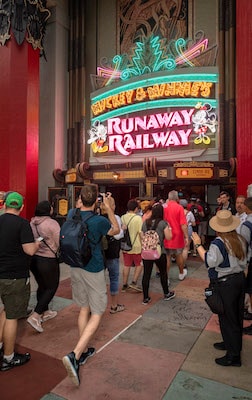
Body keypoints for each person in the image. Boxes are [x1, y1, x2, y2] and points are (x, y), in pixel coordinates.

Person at [62, 184, 119, 386]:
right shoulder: (99, 221)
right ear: (96, 201)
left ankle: (83, 349)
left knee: (83, 307)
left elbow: (79, 207)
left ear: (79, 199)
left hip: (75, 265)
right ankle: (75, 354)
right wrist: (109, 209)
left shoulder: (71, 214)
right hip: (93, 268)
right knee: (97, 312)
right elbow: (117, 230)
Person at [192, 210, 247, 367]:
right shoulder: (240, 239)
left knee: (227, 317)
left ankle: (233, 356)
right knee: (235, 316)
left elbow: (209, 261)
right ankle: (230, 343)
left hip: (225, 283)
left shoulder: (218, 243)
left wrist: (198, 244)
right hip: (238, 280)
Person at [0, 192, 40, 371]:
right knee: (12, 316)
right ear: (21, 207)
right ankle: (8, 358)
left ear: (4, 205)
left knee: (5, 310)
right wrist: (37, 244)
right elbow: (30, 251)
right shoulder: (23, 224)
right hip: (15, 276)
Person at [28, 201, 61, 333]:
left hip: (34, 259)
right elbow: (59, 241)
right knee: (51, 287)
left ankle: (45, 311)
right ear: (49, 210)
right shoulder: (52, 223)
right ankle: (36, 315)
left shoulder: (32, 222)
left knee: (42, 285)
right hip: (48, 260)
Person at [141, 203, 175, 304]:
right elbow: (169, 237)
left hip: (147, 251)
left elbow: (142, 236)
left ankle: (145, 297)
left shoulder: (145, 222)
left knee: (146, 274)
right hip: (160, 251)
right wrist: (170, 230)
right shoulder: (163, 223)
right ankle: (166, 293)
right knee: (163, 272)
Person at [102, 195, 125, 314]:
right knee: (114, 279)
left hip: (100, 254)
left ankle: (94, 306)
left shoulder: (98, 218)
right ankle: (114, 305)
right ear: (113, 206)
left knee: (98, 280)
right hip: (113, 253)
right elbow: (118, 234)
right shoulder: (115, 218)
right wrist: (122, 229)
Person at [164, 190, 188, 281]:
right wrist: (186, 236)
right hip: (177, 236)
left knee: (167, 257)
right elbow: (183, 224)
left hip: (166, 235)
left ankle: (166, 278)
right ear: (177, 198)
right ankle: (181, 273)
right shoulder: (179, 208)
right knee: (179, 255)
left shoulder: (164, 207)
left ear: (169, 197)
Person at [121, 199, 143, 292]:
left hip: (126, 246)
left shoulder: (123, 217)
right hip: (137, 245)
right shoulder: (138, 218)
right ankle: (134, 282)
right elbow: (140, 233)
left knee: (127, 265)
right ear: (136, 208)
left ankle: (124, 284)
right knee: (139, 264)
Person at [240, 197, 252, 327]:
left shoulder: (247, 224)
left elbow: (244, 244)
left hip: (250, 258)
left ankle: (250, 311)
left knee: (250, 286)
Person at [179, 199, 195, 267]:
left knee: (179, 247)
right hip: (188, 228)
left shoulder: (178, 212)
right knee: (186, 247)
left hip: (179, 229)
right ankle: (183, 264)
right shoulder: (189, 213)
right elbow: (194, 223)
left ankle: (175, 259)